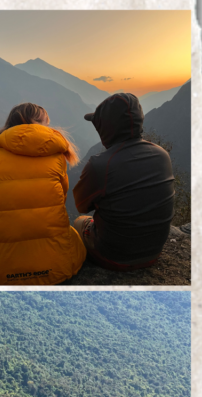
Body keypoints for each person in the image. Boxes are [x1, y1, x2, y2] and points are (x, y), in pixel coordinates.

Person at [0, 103, 86, 285]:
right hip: (57, 267)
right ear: (39, 124)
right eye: (46, 124)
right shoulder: (56, 157)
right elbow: (60, 198)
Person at [73, 93, 175, 270]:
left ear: (106, 128)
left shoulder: (101, 164)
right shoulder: (162, 154)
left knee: (79, 221)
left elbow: (81, 206)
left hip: (113, 257)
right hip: (153, 253)